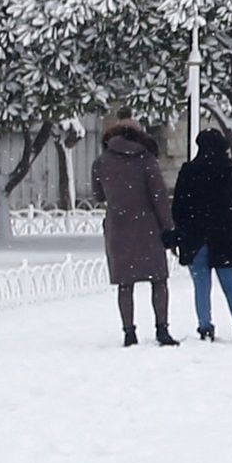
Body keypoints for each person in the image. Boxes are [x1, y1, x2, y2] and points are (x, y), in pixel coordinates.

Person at [90, 113, 176, 347]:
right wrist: (168, 228)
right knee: (158, 280)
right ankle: (162, 330)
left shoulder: (101, 161)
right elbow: (159, 197)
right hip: (148, 226)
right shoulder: (146, 159)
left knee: (124, 283)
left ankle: (129, 332)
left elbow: (98, 195)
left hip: (118, 226)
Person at [172, 124, 232, 342]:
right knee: (231, 285)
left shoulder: (188, 171)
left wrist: (181, 232)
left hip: (195, 236)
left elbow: (178, 207)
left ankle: (205, 326)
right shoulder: (230, 171)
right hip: (224, 237)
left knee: (201, 285)